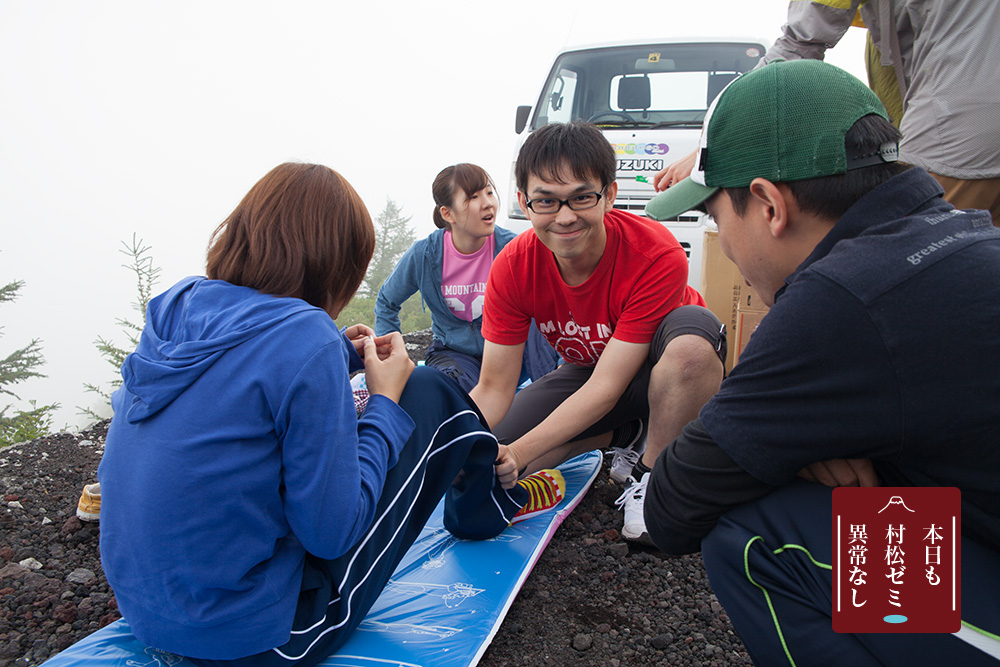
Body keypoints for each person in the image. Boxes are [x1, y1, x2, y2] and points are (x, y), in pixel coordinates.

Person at [97, 162, 559, 667]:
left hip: (149, 613)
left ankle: (491, 486)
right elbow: (331, 531)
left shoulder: (178, 305)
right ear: (336, 262)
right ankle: (491, 505)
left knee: (399, 403)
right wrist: (383, 402)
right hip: (263, 634)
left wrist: (337, 354)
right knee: (430, 392)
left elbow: (240, 382)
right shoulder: (304, 337)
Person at [643, 59, 1000, 665]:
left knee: (752, 533)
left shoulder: (843, 299)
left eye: (713, 214)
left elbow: (673, 505)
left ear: (768, 206)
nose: (721, 239)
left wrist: (790, 454)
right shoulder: (966, 236)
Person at [468, 121, 727, 544]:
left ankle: (653, 475)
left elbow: (608, 386)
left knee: (691, 352)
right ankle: (621, 435)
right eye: (546, 202)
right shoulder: (513, 266)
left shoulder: (654, 252)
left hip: (665, 368)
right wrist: (454, 442)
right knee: (492, 453)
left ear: (610, 194)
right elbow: (494, 385)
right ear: (524, 202)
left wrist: (522, 452)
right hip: (590, 368)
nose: (565, 217)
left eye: (581, 198)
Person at [655, 0, 1000, 225]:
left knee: (906, 255)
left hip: (963, 128)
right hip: (968, 119)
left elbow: (799, 43)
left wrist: (708, 146)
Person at [374, 163, 558, 392]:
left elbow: (557, 297)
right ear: (447, 213)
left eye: (489, 192)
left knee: (548, 381)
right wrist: (392, 355)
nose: (487, 203)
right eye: (473, 197)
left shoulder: (514, 248)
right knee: (450, 392)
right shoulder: (425, 255)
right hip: (457, 356)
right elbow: (387, 301)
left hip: (511, 353)